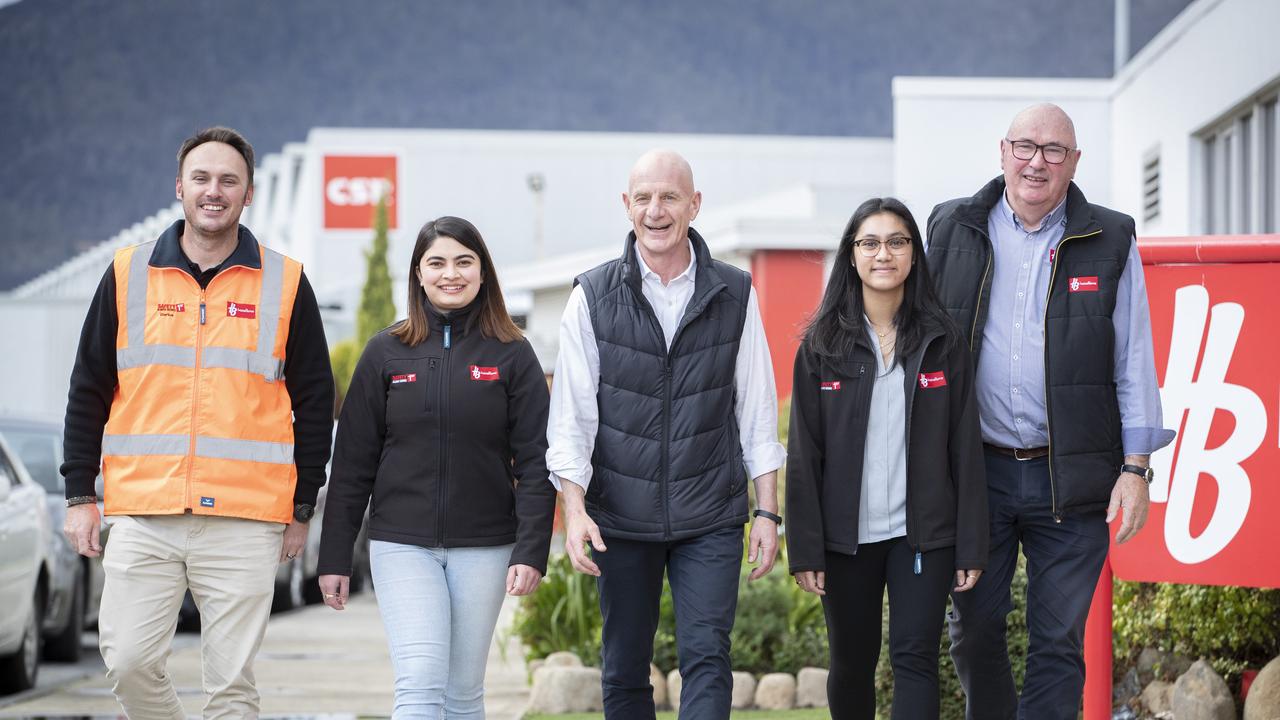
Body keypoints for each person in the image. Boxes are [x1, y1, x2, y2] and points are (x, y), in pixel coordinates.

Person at [60, 126, 335, 718]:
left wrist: (302, 506)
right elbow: (88, 388)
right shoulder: (128, 275)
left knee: (231, 687)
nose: (215, 191)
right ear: (178, 187)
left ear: (249, 193)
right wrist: (80, 492)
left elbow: (315, 400)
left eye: (228, 180)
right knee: (129, 661)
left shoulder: (285, 283)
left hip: (246, 517)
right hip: (144, 510)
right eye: (202, 178)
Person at [927, 103, 1175, 720]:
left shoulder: (1110, 238)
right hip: (976, 473)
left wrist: (1137, 468)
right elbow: (915, 346)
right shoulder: (952, 226)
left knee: (1057, 642)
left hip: (1072, 477)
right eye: (1026, 146)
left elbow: (1134, 358)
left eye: (1054, 150)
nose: (1037, 161)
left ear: (1074, 162)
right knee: (973, 629)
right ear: (1004, 151)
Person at [547, 149, 786, 719]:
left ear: (694, 205)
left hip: (711, 515)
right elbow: (572, 419)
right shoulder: (592, 296)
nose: (656, 210)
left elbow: (755, 409)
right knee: (625, 665)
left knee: (707, 658)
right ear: (626, 206)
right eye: (645, 197)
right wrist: (575, 511)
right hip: (619, 518)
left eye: (670, 197)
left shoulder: (735, 293)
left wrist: (768, 513)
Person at [317, 215, 556, 719]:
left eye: (464, 261)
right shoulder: (386, 352)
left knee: (463, 692)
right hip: (401, 544)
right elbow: (352, 464)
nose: (451, 273)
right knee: (421, 681)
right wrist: (336, 556)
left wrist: (531, 550)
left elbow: (537, 462)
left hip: (486, 546)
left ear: (483, 272)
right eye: (437, 262)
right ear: (419, 274)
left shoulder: (513, 355)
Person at [786, 197, 988, 719]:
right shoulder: (820, 347)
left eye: (897, 242)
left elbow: (964, 449)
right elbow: (805, 455)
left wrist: (971, 543)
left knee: (915, 657)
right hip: (844, 540)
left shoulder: (942, 343)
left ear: (914, 255)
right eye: (870, 243)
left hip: (923, 536)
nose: (884, 254)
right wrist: (805, 549)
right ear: (851, 256)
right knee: (851, 662)